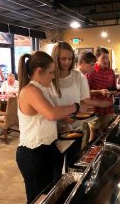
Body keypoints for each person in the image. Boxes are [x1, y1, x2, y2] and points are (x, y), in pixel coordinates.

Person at [16, 51, 87, 204]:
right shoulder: (30, 90)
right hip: (32, 153)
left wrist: (66, 121)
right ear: (38, 71)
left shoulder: (41, 89)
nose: (53, 77)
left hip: (46, 149)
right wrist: (75, 106)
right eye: (50, 73)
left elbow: (49, 116)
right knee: (38, 198)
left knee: (48, 195)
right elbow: (51, 114)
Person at [88, 47, 116, 141]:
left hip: (108, 107)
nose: (106, 60)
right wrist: (99, 91)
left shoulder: (111, 72)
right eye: (103, 58)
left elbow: (114, 89)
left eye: (107, 58)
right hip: (94, 108)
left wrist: (114, 92)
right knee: (93, 134)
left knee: (106, 133)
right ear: (97, 58)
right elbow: (85, 92)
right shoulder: (91, 71)